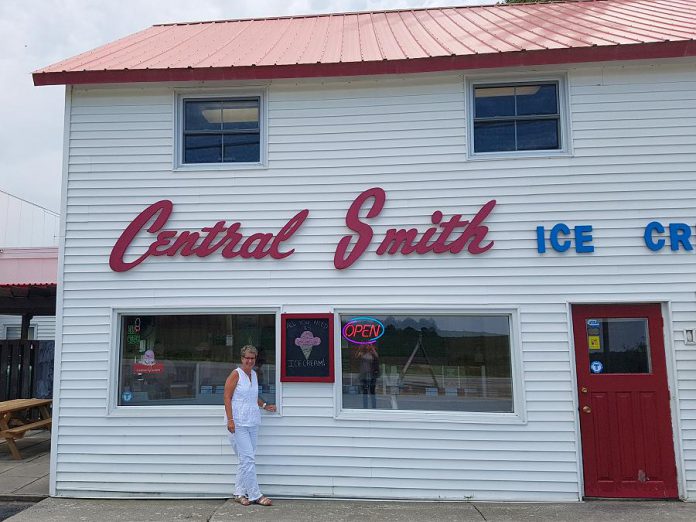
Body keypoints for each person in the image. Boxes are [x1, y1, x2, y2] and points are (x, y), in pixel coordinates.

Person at [224, 345, 276, 506]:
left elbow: (252, 397)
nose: (249, 360)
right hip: (238, 423)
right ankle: (255, 495)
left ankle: (239, 493)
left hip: (252, 422)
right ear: (242, 358)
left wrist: (265, 405)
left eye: (252, 358)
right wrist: (230, 420)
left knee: (246, 459)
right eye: (247, 357)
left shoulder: (253, 374)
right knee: (247, 459)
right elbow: (227, 397)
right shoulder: (236, 374)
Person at [357, 343, 380, 409]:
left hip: (372, 375)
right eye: (366, 345)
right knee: (365, 392)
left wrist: (372, 348)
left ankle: (374, 407)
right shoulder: (362, 353)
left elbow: (377, 357)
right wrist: (360, 347)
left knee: (372, 391)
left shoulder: (372, 353)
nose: (367, 346)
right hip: (364, 375)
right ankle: (365, 407)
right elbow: (357, 356)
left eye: (368, 345)